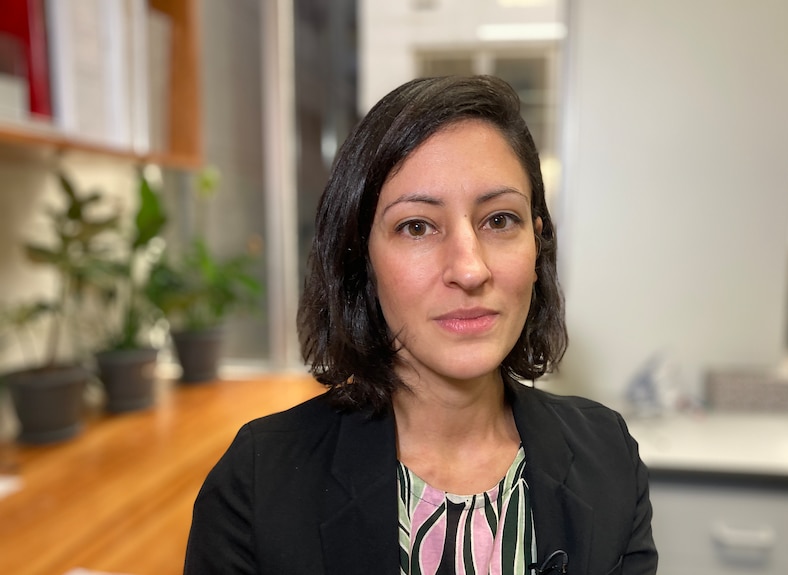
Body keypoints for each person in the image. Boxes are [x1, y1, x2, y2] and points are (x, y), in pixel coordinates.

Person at [184, 75, 658, 575]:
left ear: (537, 243)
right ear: (360, 258)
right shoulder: (258, 483)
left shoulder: (609, 456)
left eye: (499, 220)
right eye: (417, 226)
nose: (470, 269)